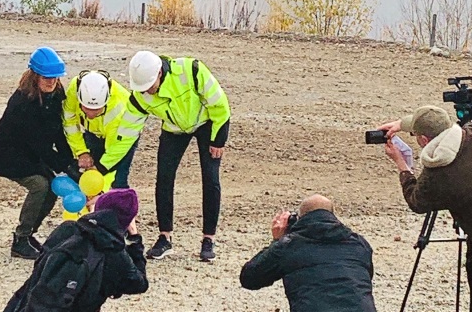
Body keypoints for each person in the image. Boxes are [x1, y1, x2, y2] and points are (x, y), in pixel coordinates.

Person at [99, 50, 231, 262]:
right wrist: (103, 166)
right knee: (164, 178)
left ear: (160, 73)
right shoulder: (140, 96)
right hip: (173, 129)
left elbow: (220, 105)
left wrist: (218, 139)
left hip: (207, 124)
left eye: (150, 85)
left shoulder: (193, 70)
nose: (147, 92)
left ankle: (208, 239)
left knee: (211, 178)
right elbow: (126, 135)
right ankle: (164, 238)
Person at [0, 46, 74, 260]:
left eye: (55, 77)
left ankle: (29, 234)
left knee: (52, 188)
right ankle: (20, 239)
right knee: (40, 185)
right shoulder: (22, 102)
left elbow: (57, 131)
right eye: (47, 77)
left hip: (29, 151)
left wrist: (70, 158)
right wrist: (65, 166)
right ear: (35, 76)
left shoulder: (56, 94)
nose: (51, 82)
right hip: (7, 154)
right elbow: (39, 145)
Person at [379, 105, 472, 299]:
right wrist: (402, 124)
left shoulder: (438, 173)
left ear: (423, 140)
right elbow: (438, 122)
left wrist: (402, 164)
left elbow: (416, 202)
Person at [4, 188, 149, 312]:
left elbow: (39, 267)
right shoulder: (114, 252)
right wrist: (135, 239)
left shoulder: (66, 230)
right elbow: (140, 284)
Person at [240, 194, 376, 312]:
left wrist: (277, 240)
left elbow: (249, 278)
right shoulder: (359, 244)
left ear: (299, 219)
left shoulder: (289, 246)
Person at [63, 70, 137, 189]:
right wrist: (81, 152)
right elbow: (70, 123)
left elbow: (115, 149)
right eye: (86, 108)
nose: (91, 114)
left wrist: (100, 168)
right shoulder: (74, 89)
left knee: (117, 180)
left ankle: (117, 204)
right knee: (87, 176)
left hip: (123, 138)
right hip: (94, 132)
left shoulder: (119, 111)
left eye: (97, 110)